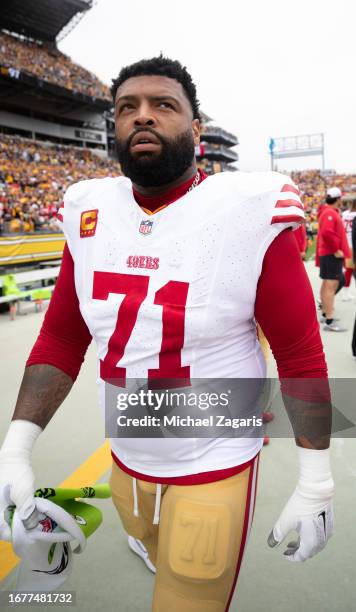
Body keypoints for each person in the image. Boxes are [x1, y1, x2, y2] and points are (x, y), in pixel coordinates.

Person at [0, 57, 334, 611]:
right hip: (130, 432)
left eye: (163, 105)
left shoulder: (247, 208)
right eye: (127, 108)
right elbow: (62, 336)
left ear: (196, 129)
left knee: (185, 589)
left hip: (214, 446)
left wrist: (317, 478)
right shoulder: (90, 208)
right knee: (145, 530)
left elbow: (301, 351)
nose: (143, 117)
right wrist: (16, 447)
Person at [317, 186, 350, 331]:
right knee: (331, 286)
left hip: (327, 254)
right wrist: (336, 250)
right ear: (338, 199)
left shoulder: (328, 211)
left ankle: (326, 313)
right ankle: (329, 321)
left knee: (326, 285)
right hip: (331, 254)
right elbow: (327, 233)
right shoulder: (329, 213)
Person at [341, 199, 356, 301]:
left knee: (350, 270)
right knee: (350, 270)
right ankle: (345, 293)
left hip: (346, 243)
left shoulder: (345, 213)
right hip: (353, 244)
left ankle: (346, 293)